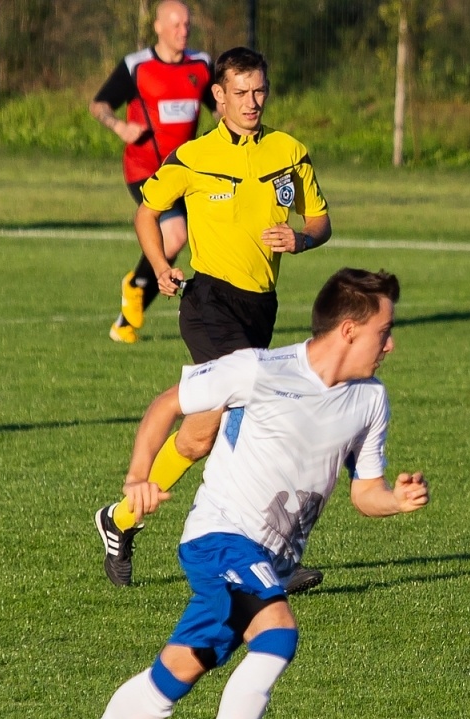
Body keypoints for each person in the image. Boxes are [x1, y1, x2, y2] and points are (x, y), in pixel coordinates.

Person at [47, 269, 428, 719]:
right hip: (218, 537)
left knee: (174, 677)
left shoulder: (370, 400)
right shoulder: (258, 369)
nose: (391, 344)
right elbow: (167, 405)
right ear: (349, 330)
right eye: (385, 330)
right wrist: (136, 479)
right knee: (279, 634)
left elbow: (364, 493)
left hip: (267, 563)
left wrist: (395, 501)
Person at [93, 46, 332, 594]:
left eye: (260, 90)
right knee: (257, 411)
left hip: (260, 307)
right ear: (218, 97)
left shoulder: (289, 151)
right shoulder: (194, 156)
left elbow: (320, 220)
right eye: (240, 92)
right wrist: (160, 266)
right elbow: (147, 212)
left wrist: (301, 238)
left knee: (200, 436)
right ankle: (268, 555)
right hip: (208, 304)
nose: (252, 102)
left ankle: (119, 519)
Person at [90, 0, 213, 346]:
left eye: (187, 24)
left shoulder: (201, 65)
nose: (182, 31)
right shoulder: (137, 66)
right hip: (143, 169)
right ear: (157, 27)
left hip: (184, 172)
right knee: (174, 235)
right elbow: (99, 104)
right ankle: (136, 285)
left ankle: (125, 321)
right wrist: (119, 126)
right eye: (175, 24)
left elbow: (221, 108)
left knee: (206, 236)